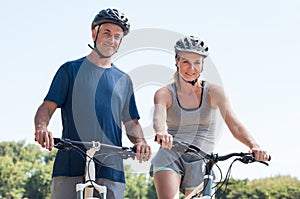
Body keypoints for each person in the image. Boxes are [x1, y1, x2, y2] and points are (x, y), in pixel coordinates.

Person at [34, 8, 151, 199]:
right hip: (70, 162)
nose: (111, 40)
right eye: (107, 33)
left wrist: (140, 141)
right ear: (94, 33)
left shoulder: (123, 80)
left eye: (117, 36)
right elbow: (47, 107)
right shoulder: (69, 70)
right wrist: (42, 127)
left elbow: (131, 123)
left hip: (111, 167)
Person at [151, 35, 269, 199]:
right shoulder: (164, 93)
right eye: (186, 62)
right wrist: (162, 132)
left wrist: (254, 145)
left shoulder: (214, 92)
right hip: (171, 154)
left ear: (203, 64)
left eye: (197, 63)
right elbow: (159, 118)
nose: (191, 68)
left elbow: (234, 125)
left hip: (202, 159)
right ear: (176, 61)